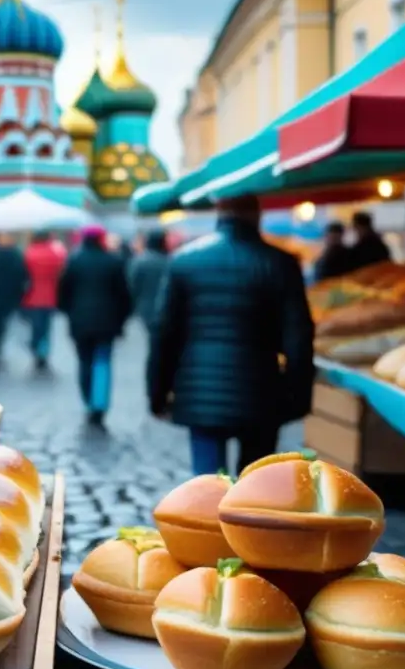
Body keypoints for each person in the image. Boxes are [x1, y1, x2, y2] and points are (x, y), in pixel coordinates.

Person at [146, 195, 315, 477]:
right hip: (260, 391)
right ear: (257, 214)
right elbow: (298, 337)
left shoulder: (184, 261)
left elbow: (164, 333)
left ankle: (208, 520)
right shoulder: (281, 263)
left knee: (208, 484)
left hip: (200, 390)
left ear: (219, 212)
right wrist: (299, 398)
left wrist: (157, 393)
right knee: (253, 487)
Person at [57, 225, 133, 428]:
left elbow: (63, 292)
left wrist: (69, 312)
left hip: (80, 322)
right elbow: (124, 295)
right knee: (103, 362)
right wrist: (122, 319)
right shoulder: (114, 261)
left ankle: (88, 401)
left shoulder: (74, 261)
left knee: (84, 362)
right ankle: (99, 404)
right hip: (107, 322)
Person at [23, 231, 67, 369]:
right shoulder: (56, 254)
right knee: (46, 327)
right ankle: (43, 351)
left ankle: (35, 346)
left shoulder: (29, 253)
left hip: (31, 296)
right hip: (51, 296)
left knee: (35, 326)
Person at [127, 229, 170, 333]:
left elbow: (131, 283)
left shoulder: (138, 261)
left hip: (144, 306)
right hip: (165, 305)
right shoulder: (169, 261)